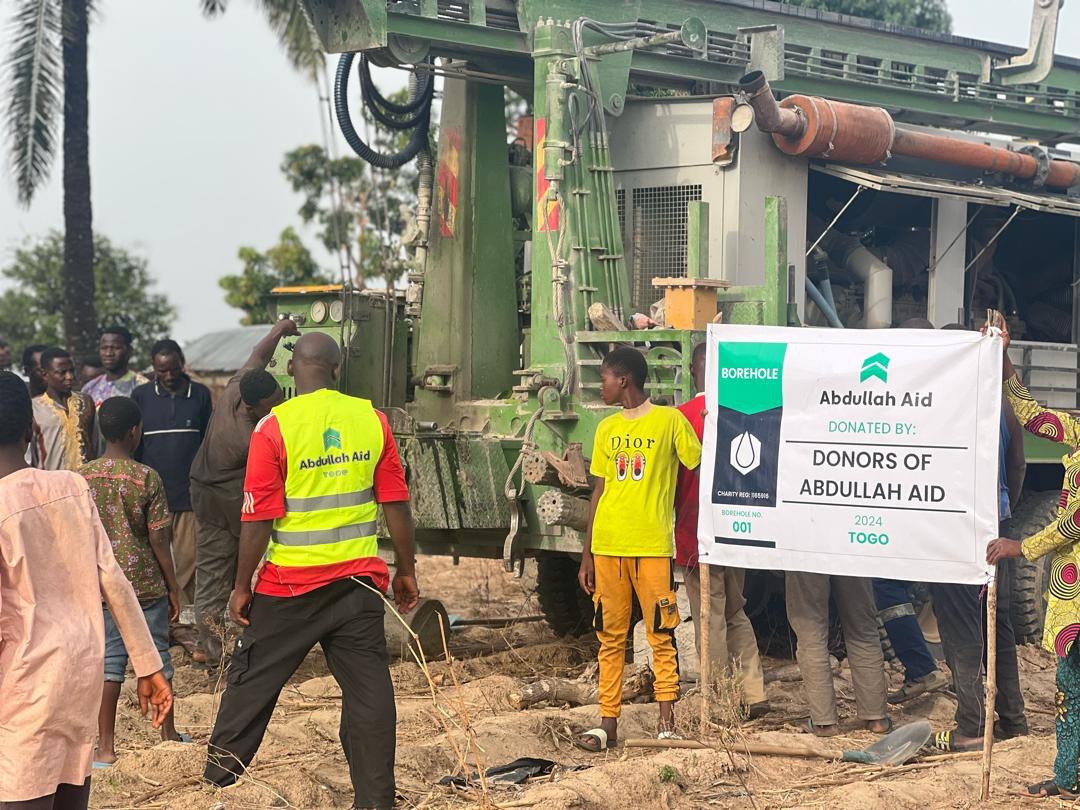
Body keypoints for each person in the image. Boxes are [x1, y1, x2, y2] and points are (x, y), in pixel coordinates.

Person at [203, 332, 418, 810]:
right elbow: (397, 504)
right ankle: (376, 799)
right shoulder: (372, 420)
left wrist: (241, 586)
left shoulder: (275, 427)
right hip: (359, 585)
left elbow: (258, 516)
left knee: (251, 682)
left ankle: (214, 782)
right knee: (369, 694)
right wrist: (406, 569)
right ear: (337, 370)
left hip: (290, 586)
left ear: (291, 371)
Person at [0, 372, 172, 810]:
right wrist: (149, 666)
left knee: (22, 791)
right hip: (80, 674)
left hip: (22, 684)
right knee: (70, 789)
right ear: (31, 429)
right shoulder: (71, 487)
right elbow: (113, 579)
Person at [576, 347, 701, 751]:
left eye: (605, 378)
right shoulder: (606, 429)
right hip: (608, 547)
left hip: (651, 547)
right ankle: (607, 724)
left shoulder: (670, 420)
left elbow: (698, 465)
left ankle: (667, 721)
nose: (601, 386)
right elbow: (599, 492)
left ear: (624, 380)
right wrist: (587, 553)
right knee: (609, 637)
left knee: (661, 633)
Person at [930, 321, 1027, 752]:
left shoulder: (943, 404)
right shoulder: (999, 404)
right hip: (993, 525)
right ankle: (1013, 719)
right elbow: (1018, 464)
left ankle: (970, 724)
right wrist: (1001, 512)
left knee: (960, 621)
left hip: (957, 527)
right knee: (997, 623)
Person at [82, 397, 186, 766]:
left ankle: (105, 748)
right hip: (145, 585)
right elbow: (159, 537)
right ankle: (168, 733)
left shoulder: (81, 476)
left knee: (110, 665)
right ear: (135, 432)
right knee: (157, 656)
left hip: (102, 587)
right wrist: (173, 586)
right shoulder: (147, 478)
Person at [188, 318, 298, 666]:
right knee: (216, 576)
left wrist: (280, 330)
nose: (278, 410)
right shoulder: (249, 437)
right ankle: (216, 654)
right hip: (219, 501)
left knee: (230, 570)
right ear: (253, 408)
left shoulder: (240, 385)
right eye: (273, 407)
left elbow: (257, 355)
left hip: (208, 488)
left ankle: (228, 642)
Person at [674, 342, 767, 718]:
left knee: (708, 617)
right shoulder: (745, 414)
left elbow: (674, 480)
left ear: (695, 370)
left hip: (696, 533)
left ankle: (718, 701)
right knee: (736, 609)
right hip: (739, 530)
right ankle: (754, 691)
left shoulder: (682, 417)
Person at [132, 339, 212, 653]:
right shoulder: (140, 396)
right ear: (154, 369)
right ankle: (161, 628)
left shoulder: (201, 395)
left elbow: (207, 446)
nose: (168, 376)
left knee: (188, 565)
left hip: (189, 498)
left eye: (173, 368)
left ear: (182, 363)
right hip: (152, 501)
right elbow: (134, 447)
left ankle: (188, 627)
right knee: (153, 565)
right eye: (161, 370)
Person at [31, 347, 95, 471]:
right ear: (45, 374)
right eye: (62, 372)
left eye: (71, 371)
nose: (69, 376)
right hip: (50, 486)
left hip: (85, 485)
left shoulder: (86, 402)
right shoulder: (34, 408)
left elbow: (96, 444)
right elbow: (30, 455)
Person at [82, 326, 149, 407]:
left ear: (129, 350)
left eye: (116, 348)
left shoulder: (142, 386)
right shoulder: (90, 388)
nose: (108, 353)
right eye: (104, 348)